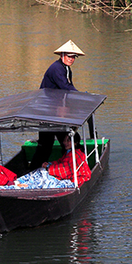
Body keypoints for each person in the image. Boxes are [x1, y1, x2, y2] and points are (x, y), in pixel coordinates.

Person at [30, 40, 85, 169]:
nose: (71, 59)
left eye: (73, 57)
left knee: (67, 140)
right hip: (48, 113)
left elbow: (68, 88)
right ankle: (33, 169)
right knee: (46, 145)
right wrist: (82, 96)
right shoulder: (56, 68)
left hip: (57, 112)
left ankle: (71, 166)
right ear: (62, 55)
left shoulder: (66, 69)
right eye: (69, 56)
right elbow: (65, 87)